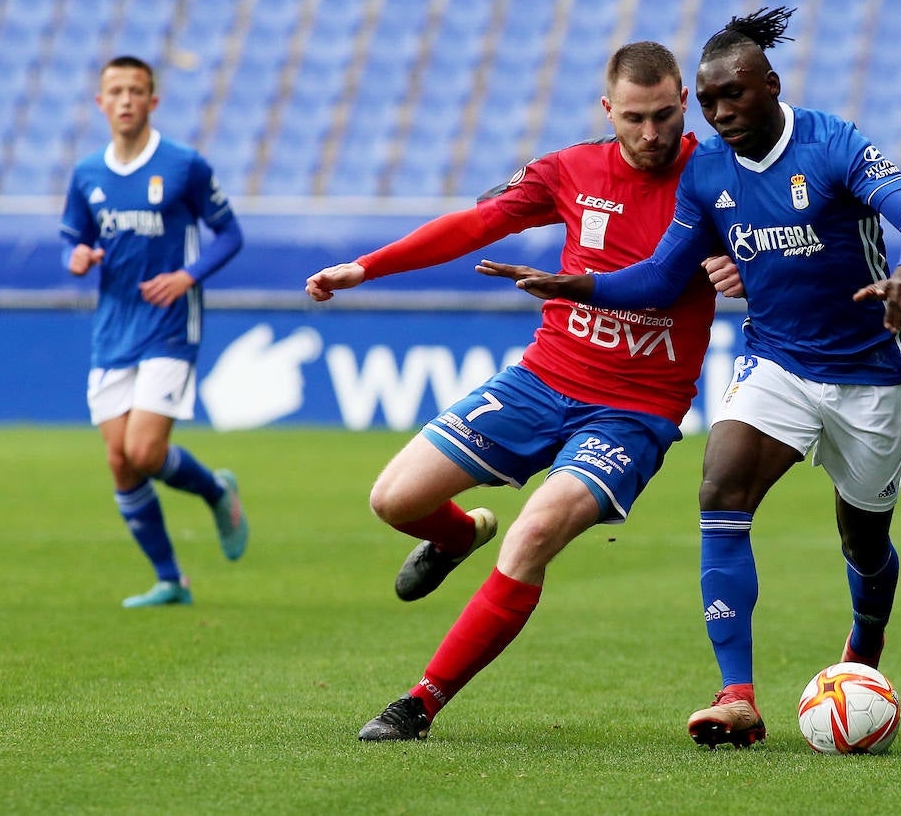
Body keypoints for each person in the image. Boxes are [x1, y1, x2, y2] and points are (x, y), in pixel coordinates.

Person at [478, 7, 901, 749]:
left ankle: (865, 641)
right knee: (720, 488)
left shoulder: (834, 145)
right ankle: (736, 696)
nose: (722, 112)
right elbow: (664, 276)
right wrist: (575, 284)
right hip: (777, 362)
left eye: (736, 95)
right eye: (710, 101)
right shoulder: (705, 172)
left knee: (864, 543)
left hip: (867, 377)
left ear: (771, 83)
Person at [304, 41, 742, 742]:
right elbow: (478, 223)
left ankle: (421, 701)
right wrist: (366, 266)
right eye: (634, 118)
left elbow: (784, 248)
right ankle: (458, 535)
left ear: (685, 102)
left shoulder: (719, 175)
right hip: (543, 379)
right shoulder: (570, 169)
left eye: (664, 115)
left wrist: (746, 271)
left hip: (634, 409)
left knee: (535, 530)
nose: (652, 134)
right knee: (393, 499)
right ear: (608, 109)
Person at [61, 55, 248, 608]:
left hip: (170, 322)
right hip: (113, 326)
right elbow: (71, 236)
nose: (124, 100)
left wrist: (186, 275)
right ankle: (171, 580)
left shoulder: (184, 164)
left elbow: (229, 234)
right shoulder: (87, 173)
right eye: (114, 91)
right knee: (120, 460)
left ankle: (216, 490)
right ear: (101, 103)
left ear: (152, 101)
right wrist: (76, 256)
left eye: (135, 91)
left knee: (143, 450)